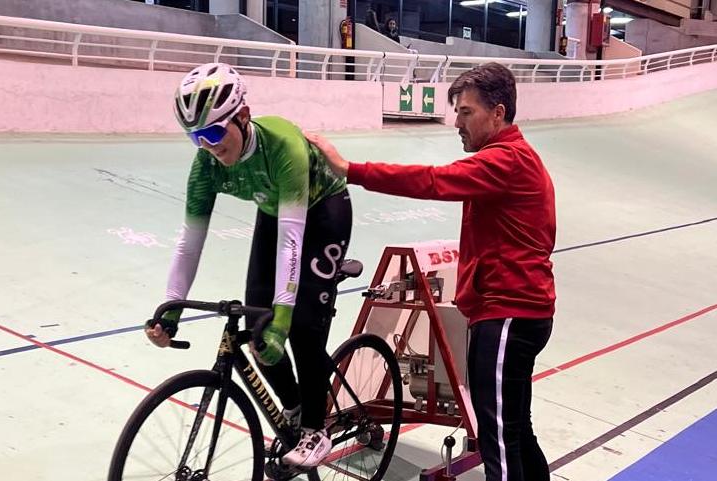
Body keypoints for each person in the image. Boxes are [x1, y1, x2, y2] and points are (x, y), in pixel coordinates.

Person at [306, 62, 555, 481]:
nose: (457, 122)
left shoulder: (506, 160)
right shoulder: (515, 159)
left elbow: (433, 181)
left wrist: (350, 169)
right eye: (456, 112)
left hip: (508, 314)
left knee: (498, 439)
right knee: (514, 429)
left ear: (498, 113)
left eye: (467, 113)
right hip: (516, 311)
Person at [146, 62, 352, 468]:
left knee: (302, 328)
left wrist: (284, 318)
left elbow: (293, 242)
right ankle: (292, 409)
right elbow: (190, 242)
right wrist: (171, 307)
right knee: (257, 326)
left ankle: (316, 428)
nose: (207, 146)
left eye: (213, 132)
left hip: (323, 212)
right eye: (195, 137)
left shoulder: (283, 147)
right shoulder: (206, 165)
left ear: (242, 115)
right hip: (274, 211)